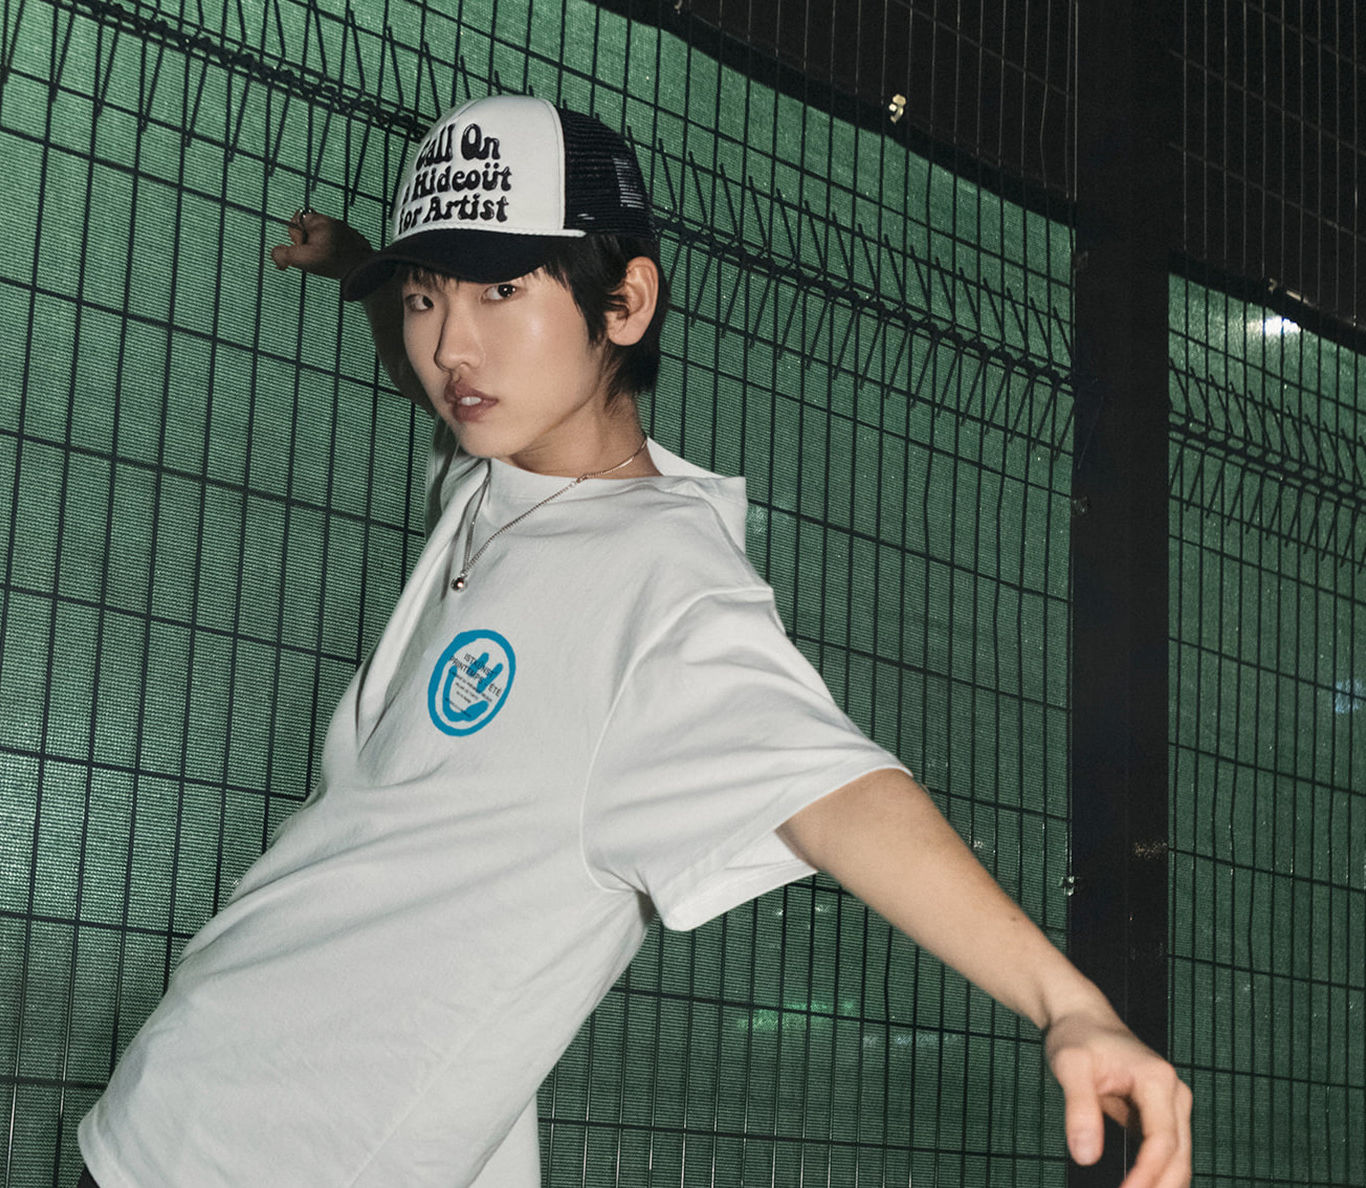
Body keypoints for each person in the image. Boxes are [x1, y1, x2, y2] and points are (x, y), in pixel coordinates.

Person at [75, 94, 1191, 1188]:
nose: (452, 345)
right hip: (188, 1094)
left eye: (501, 288)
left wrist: (1067, 1002)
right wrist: (364, 268)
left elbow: (836, 790)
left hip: (274, 1154)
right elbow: (436, 380)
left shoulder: (664, 592)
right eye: (425, 298)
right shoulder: (497, 470)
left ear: (625, 300)